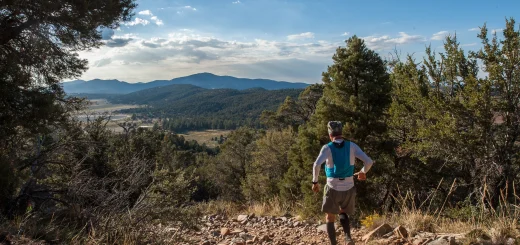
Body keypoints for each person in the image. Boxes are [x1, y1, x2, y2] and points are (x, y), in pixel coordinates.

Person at [312, 121, 374, 245]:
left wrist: (315, 182)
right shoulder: (352, 146)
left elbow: (317, 165)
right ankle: (347, 238)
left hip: (332, 186)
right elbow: (369, 161)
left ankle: (333, 243)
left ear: (330, 134)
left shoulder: (327, 147)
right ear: (341, 133)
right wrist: (362, 171)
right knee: (343, 211)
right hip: (349, 186)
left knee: (330, 217)